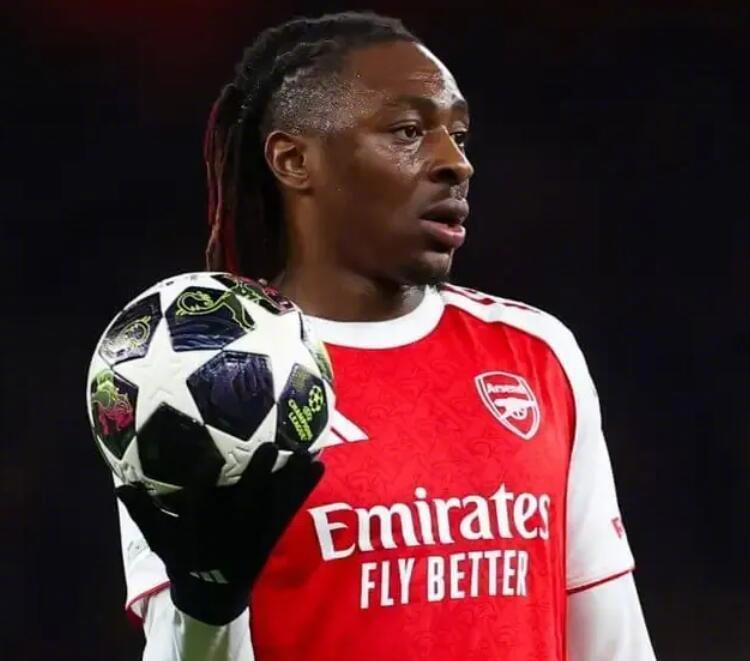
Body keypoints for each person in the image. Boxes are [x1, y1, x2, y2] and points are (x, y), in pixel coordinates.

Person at [115, 10, 656, 660]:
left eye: (459, 135)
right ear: (294, 160)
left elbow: (614, 641)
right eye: (408, 131)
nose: (457, 163)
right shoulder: (201, 377)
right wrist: (207, 604)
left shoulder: (535, 353)